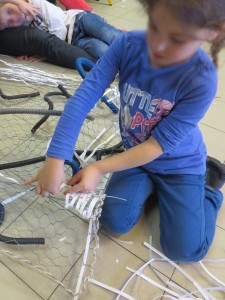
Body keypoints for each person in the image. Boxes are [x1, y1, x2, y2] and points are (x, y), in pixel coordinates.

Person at [25, 0, 225, 262]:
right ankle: (154, 188)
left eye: (178, 39)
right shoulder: (128, 43)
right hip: (136, 156)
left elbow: (156, 146)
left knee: (185, 251)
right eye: (156, 27)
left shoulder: (203, 79)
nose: (160, 48)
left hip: (179, 165)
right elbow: (85, 96)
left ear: (211, 33)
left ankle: (208, 188)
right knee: (115, 223)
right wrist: (55, 157)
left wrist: (97, 168)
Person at [0, 0, 123, 59]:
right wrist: (30, 51)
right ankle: (129, 63)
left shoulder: (36, 4)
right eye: (10, 22)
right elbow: (33, 41)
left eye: (9, 11)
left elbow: (59, 28)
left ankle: (137, 47)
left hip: (79, 20)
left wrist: (44, 54)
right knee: (102, 51)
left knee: (110, 35)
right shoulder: (24, 28)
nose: (13, 17)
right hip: (75, 41)